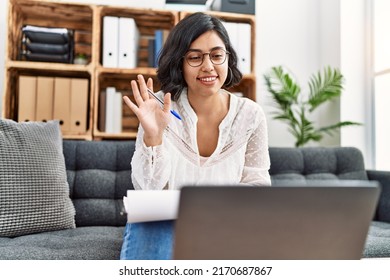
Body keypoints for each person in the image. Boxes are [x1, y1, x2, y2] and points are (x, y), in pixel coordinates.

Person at [120, 12, 271, 260]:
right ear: (180, 63)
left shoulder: (251, 115)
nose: (208, 66)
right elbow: (147, 191)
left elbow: (257, 186)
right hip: (165, 222)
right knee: (152, 225)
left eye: (216, 55)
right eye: (194, 57)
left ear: (228, 58)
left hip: (227, 220)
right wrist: (154, 138)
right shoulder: (159, 108)